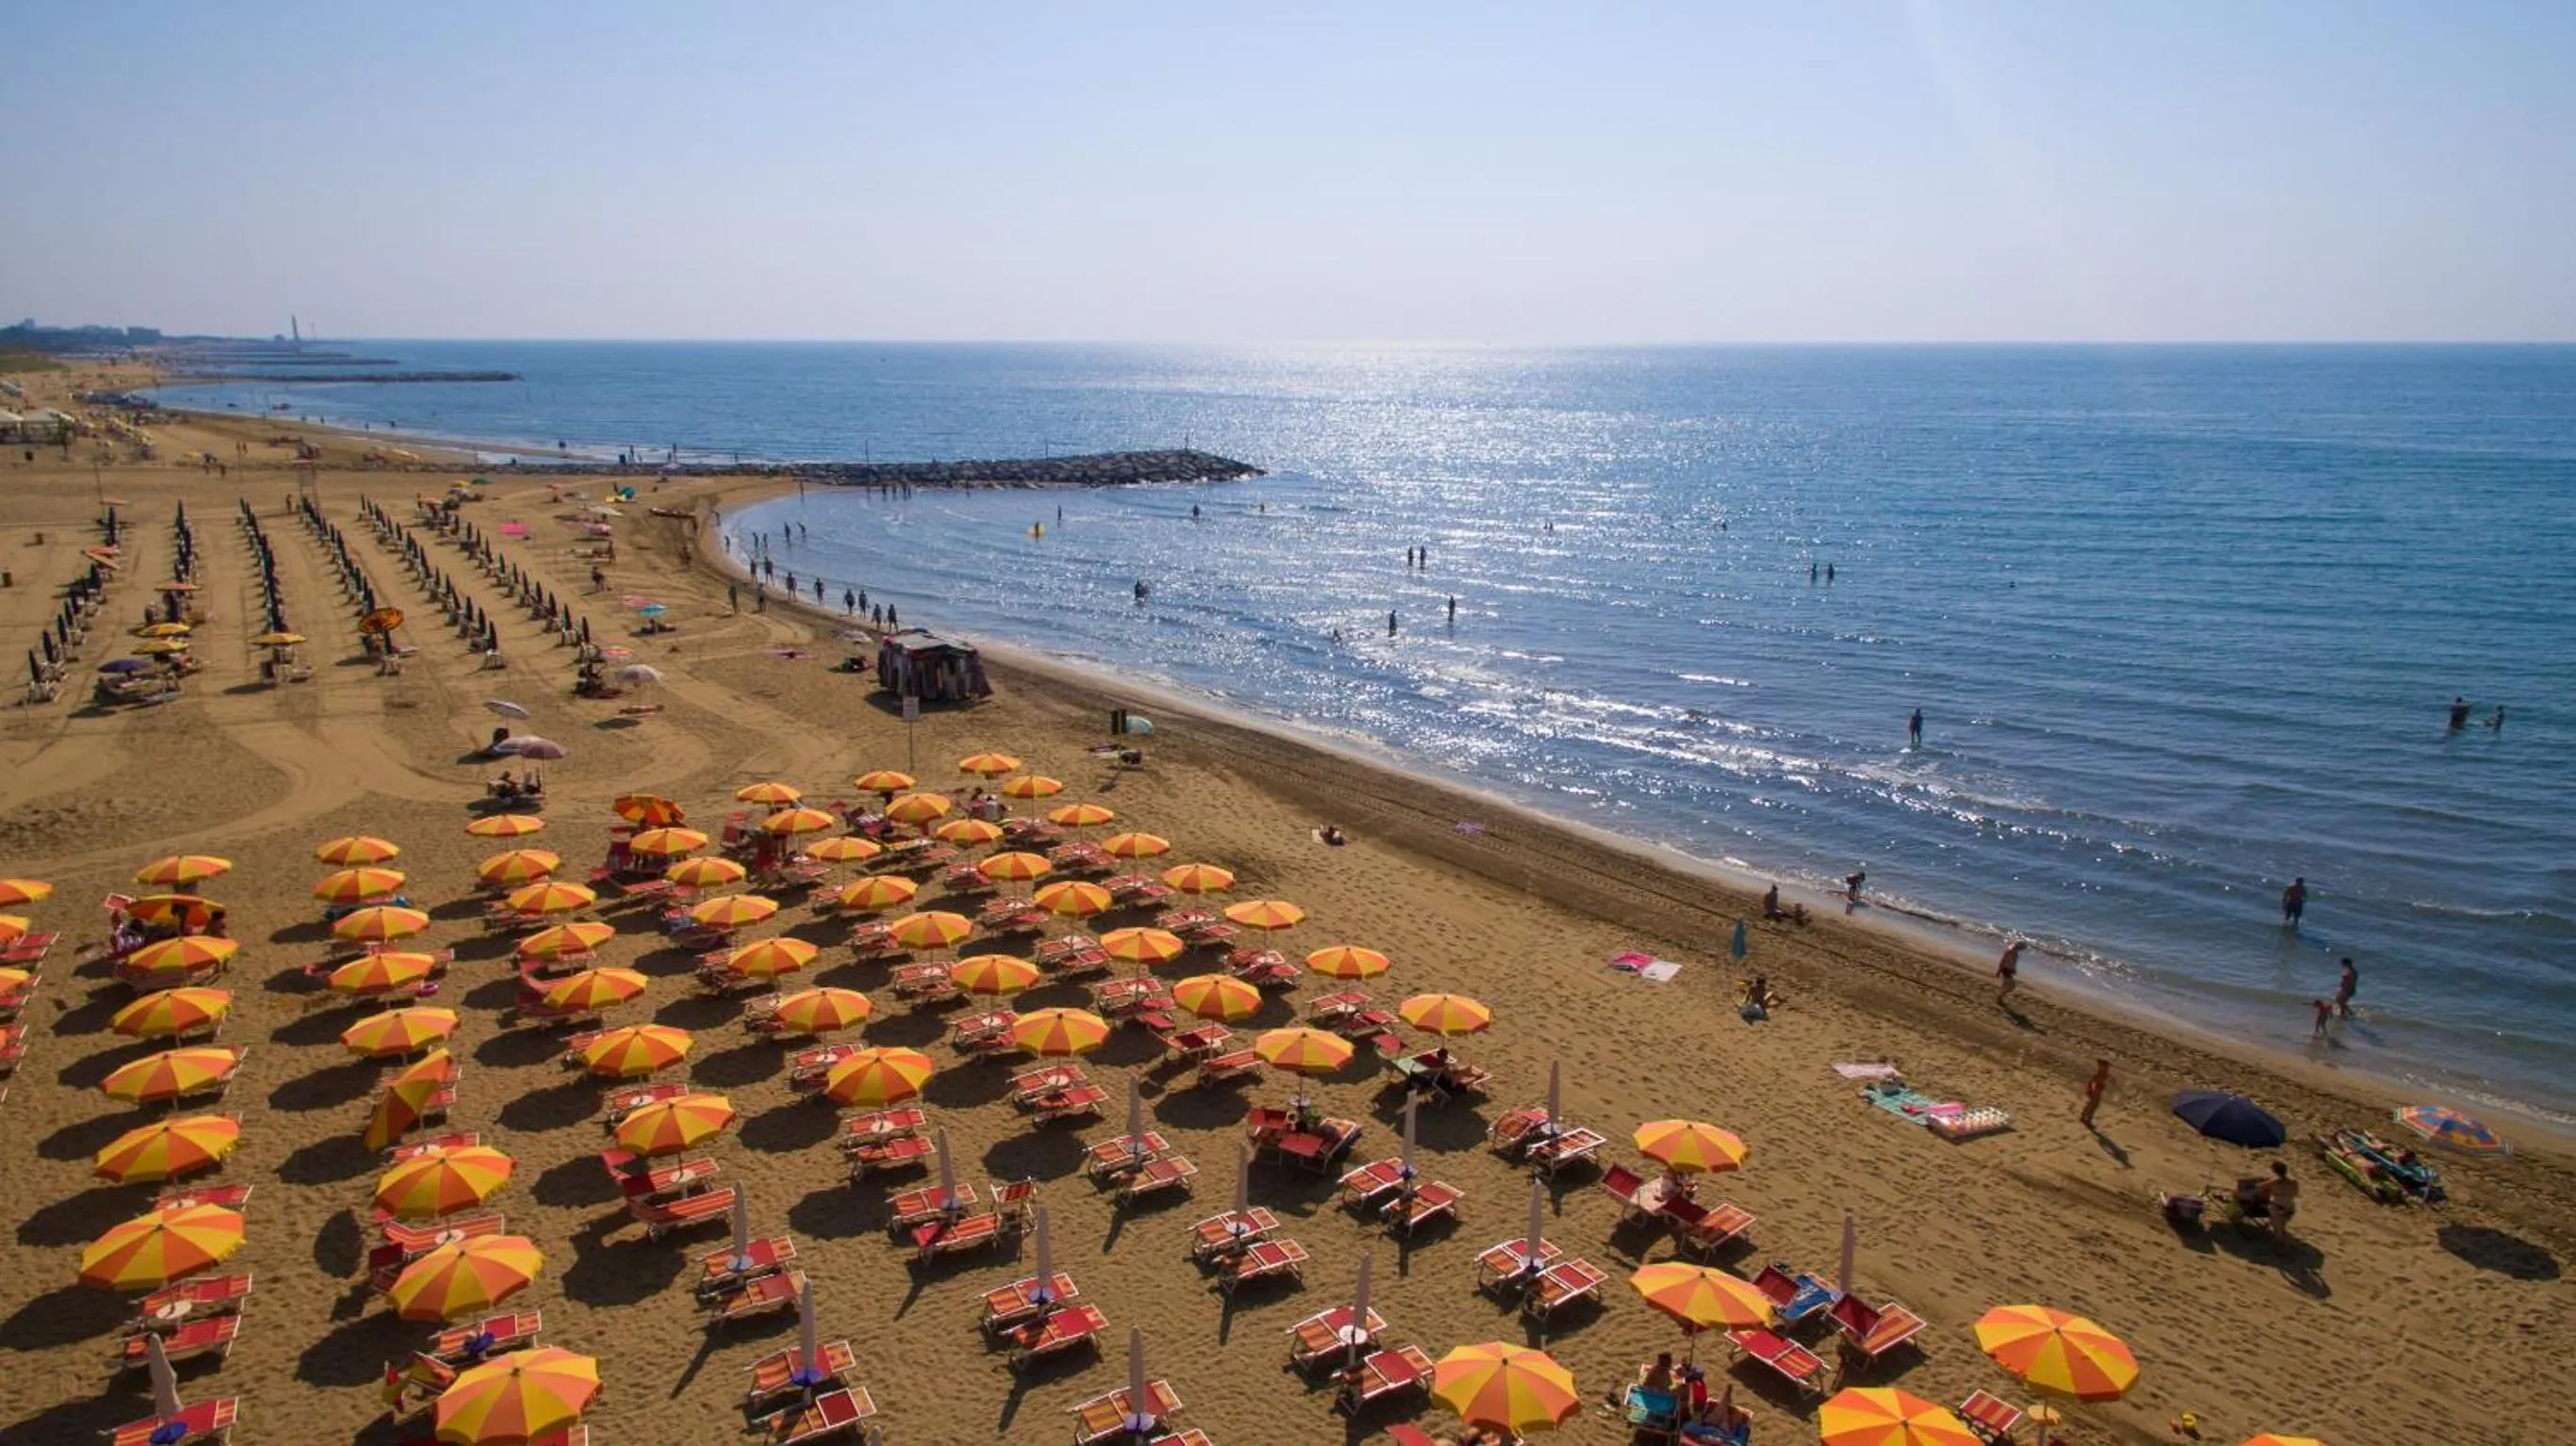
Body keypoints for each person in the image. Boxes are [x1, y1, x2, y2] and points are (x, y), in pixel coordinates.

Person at [2080, 1058, 2110, 1128]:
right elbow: (2092, 1082)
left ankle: (2084, 1117)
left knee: (2092, 1105)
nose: (2108, 1068)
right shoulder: (2099, 1074)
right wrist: (2090, 1090)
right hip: (2096, 1092)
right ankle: (2087, 1120)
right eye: (2106, 1067)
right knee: (2093, 1106)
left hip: (2097, 1091)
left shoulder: (2103, 1073)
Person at [1995, 939, 2023, 1006]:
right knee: (2011, 986)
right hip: (2006, 970)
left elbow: (2012, 962)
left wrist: (2014, 969)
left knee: (2005, 985)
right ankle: (1999, 996)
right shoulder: (2011, 951)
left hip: (2008, 970)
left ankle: (2000, 998)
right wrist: (1999, 970)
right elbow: (2003, 960)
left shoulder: (2013, 950)